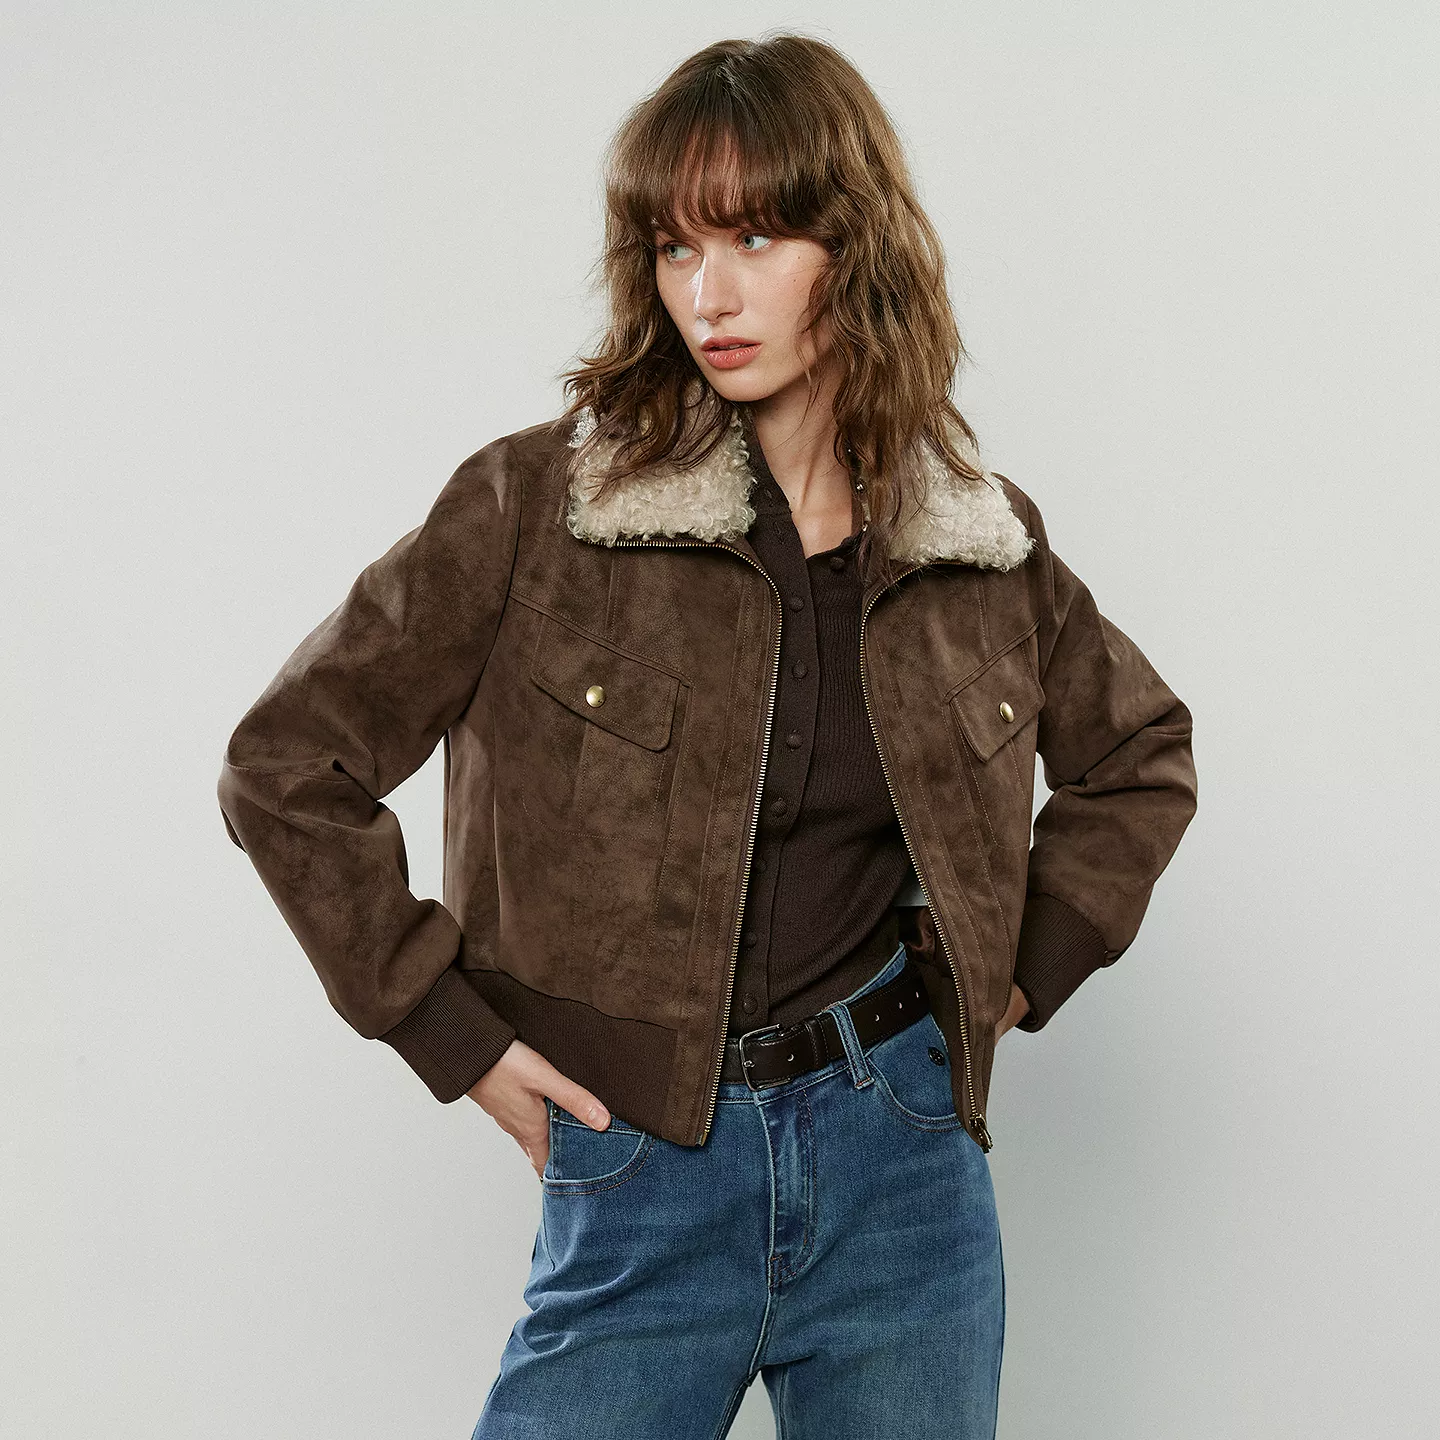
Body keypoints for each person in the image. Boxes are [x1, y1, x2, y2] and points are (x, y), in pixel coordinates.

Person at [216, 32, 1198, 1440]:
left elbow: (1139, 756)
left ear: (855, 248)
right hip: (644, 1164)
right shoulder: (537, 510)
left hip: (904, 1168)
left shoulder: (971, 538)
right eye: (675, 247)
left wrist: (1016, 976)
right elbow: (284, 769)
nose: (710, 294)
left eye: (755, 237)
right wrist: (449, 1032)